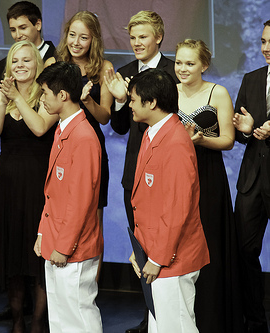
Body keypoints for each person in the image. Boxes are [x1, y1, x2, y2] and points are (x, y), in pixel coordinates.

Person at [104, 11, 178, 332]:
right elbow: (120, 127)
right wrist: (121, 101)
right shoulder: (124, 72)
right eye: (133, 37)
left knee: (162, 246)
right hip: (133, 173)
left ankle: (164, 318)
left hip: (162, 169)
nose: (136, 43)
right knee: (140, 250)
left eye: (143, 37)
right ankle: (150, 315)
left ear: (158, 37)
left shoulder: (173, 70)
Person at [128, 68, 210, 333]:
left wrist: (158, 258)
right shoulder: (152, 132)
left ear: (151, 102)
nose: (129, 105)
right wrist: (141, 250)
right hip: (155, 253)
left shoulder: (175, 142)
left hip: (172, 259)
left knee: (176, 328)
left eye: (132, 99)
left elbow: (177, 208)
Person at [175, 39, 243, 333]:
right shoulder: (167, 91)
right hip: (176, 175)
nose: (182, 69)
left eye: (190, 63)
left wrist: (202, 139)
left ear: (204, 65)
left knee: (209, 245)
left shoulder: (219, 92)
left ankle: (212, 320)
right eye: (178, 62)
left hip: (208, 175)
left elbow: (228, 140)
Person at [0, 40, 54, 333]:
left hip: (38, 179)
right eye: (15, 61)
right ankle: (16, 321)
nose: (20, 65)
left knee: (36, 255)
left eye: (27, 60)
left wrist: (20, 98)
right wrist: (4, 98)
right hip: (8, 180)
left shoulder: (47, 96)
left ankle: (38, 322)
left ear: (37, 65)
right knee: (12, 252)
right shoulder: (3, 97)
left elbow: (40, 127)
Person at [33, 61, 103, 333]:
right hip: (56, 238)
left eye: (45, 92)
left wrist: (64, 245)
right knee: (61, 319)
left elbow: (81, 200)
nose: (41, 98)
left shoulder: (84, 136)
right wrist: (42, 233)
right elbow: (53, 193)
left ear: (62, 95)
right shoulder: (63, 129)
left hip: (74, 247)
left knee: (79, 317)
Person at [46, 10, 112, 253]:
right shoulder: (54, 64)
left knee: (94, 219)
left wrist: (88, 102)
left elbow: (105, 117)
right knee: (60, 211)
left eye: (83, 37)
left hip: (91, 148)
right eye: (72, 35)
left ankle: (91, 284)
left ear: (93, 40)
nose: (76, 42)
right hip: (61, 147)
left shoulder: (104, 68)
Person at [232, 19, 270, 333]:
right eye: (262, 41)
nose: (266, 48)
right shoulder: (252, 78)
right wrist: (244, 131)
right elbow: (242, 131)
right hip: (252, 180)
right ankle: (255, 321)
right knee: (244, 251)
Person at [0, 1, 56, 89]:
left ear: (38, 25)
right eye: (13, 30)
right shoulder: (4, 64)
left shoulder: (59, 58)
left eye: (23, 28)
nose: (18, 35)